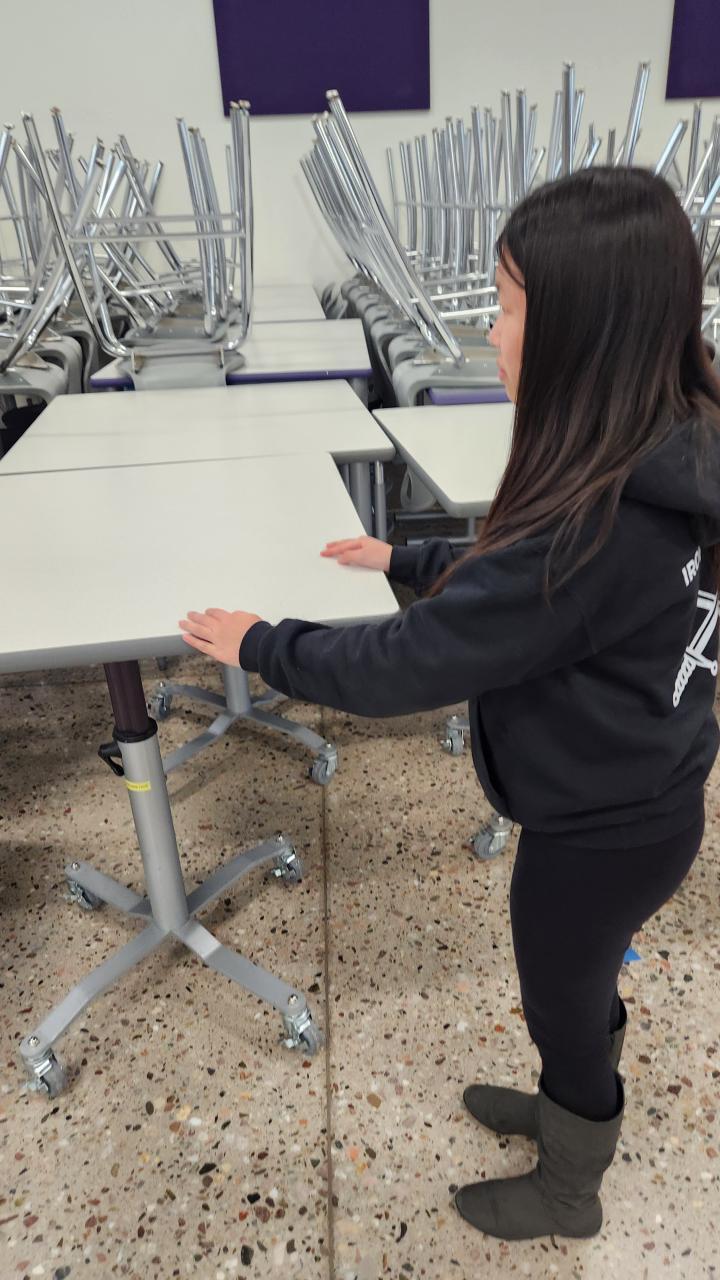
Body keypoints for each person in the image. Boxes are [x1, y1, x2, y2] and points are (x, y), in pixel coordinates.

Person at [178, 167, 720, 1242]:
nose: (490, 332)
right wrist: (409, 556)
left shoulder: (594, 526)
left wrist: (262, 644)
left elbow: (406, 666)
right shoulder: (671, 451)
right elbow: (517, 590)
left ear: (583, 333)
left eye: (509, 307)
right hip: (650, 797)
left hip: (598, 829)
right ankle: (570, 1099)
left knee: (562, 996)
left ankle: (570, 1182)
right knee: (579, 980)